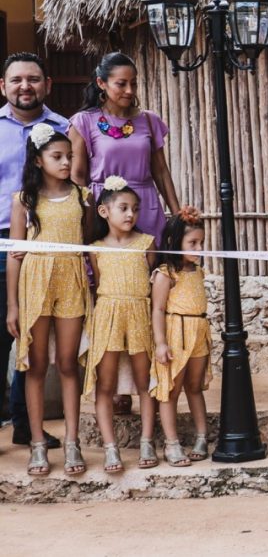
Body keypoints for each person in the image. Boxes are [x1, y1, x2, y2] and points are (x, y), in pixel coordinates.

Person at [70, 52, 179, 416]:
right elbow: (79, 177)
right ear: (101, 84)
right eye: (121, 83)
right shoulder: (83, 122)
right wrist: (85, 223)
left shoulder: (149, 121)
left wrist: (177, 215)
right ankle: (116, 386)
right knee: (111, 294)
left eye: (134, 83)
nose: (130, 90)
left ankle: (152, 375)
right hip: (104, 213)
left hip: (146, 208)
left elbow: (161, 172)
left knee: (149, 292)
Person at [7, 123, 94, 475]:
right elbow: (15, 255)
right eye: (57, 156)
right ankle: (38, 445)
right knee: (37, 364)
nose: (65, 162)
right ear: (39, 160)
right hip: (36, 282)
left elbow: (86, 242)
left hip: (71, 280)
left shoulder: (82, 197)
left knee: (70, 363)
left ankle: (72, 442)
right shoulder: (23, 200)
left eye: (69, 156)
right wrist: (13, 305)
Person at [0, 52, 64, 450]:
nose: (26, 86)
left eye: (34, 79)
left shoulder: (64, 130)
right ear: (3, 87)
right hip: (0, 242)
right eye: (17, 80)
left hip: (45, 249)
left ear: (47, 85)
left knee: (31, 339)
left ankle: (26, 424)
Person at [83, 176, 158, 472]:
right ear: (104, 211)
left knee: (145, 382)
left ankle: (147, 441)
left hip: (139, 314)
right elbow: (99, 284)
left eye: (135, 209)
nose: (131, 215)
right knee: (106, 385)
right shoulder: (95, 248)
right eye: (124, 208)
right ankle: (110, 447)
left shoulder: (147, 243)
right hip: (108, 316)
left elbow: (153, 285)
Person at [151, 207, 211, 466]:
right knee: (171, 390)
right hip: (176, 333)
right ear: (176, 242)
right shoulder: (166, 273)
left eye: (201, 243)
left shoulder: (198, 272)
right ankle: (172, 443)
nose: (198, 248)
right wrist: (161, 343)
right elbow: (157, 309)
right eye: (192, 243)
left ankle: (202, 436)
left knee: (195, 388)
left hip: (198, 333)